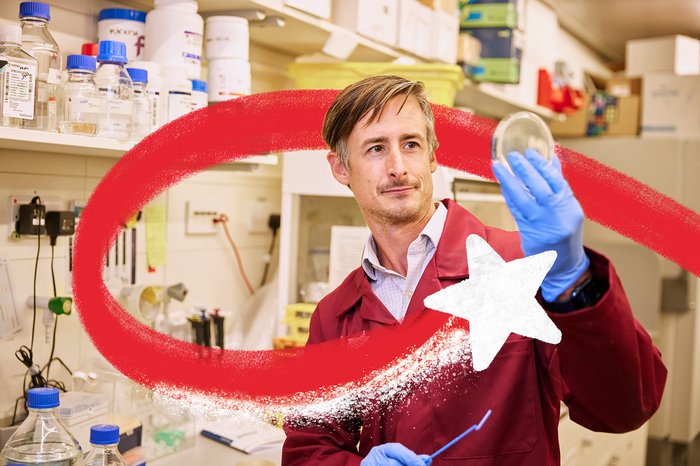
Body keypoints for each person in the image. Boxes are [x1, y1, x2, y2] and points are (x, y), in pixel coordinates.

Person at [282, 75, 667, 465]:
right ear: (340, 168)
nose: (398, 167)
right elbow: (308, 449)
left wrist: (573, 278)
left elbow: (626, 408)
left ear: (432, 157)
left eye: (411, 144)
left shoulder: (522, 266)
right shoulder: (335, 316)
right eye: (376, 148)